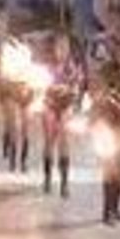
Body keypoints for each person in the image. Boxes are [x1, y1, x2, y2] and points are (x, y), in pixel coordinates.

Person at [92, 38, 120, 226]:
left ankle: (116, 207)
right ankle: (106, 211)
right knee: (109, 169)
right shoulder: (105, 72)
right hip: (108, 125)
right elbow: (98, 94)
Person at [42, 33, 81, 197]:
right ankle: (48, 178)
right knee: (50, 140)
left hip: (65, 106)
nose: (62, 51)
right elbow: (41, 84)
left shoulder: (72, 67)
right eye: (59, 47)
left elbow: (77, 86)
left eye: (65, 47)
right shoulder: (47, 66)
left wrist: (71, 91)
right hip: (49, 104)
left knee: (64, 142)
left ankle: (64, 183)